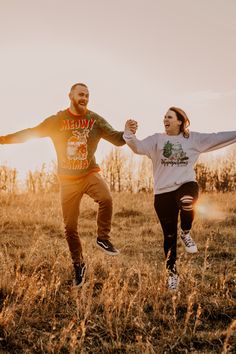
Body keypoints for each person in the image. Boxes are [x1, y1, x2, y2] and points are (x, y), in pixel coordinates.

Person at [0, 83, 129, 287]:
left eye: (87, 95)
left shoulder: (95, 120)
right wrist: (4, 140)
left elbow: (117, 139)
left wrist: (127, 133)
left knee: (106, 198)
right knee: (70, 227)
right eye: (80, 94)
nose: (84, 98)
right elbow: (31, 132)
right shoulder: (57, 120)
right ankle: (79, 265)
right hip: (68, 181)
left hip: (89, 173)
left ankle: (103, 238)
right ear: (70, 95)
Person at [124, 107, 236, 290]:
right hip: (162, 193)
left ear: (180, 121)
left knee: (187, 200)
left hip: (186, 185)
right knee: (169, 237)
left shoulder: (193, 139)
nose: (165, 120)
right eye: (164, 117)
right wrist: (128, 133)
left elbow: (218, 136)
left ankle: (186, 231)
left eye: (169, 117)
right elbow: (138, 147)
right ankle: (172, 273)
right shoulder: (157, 140)